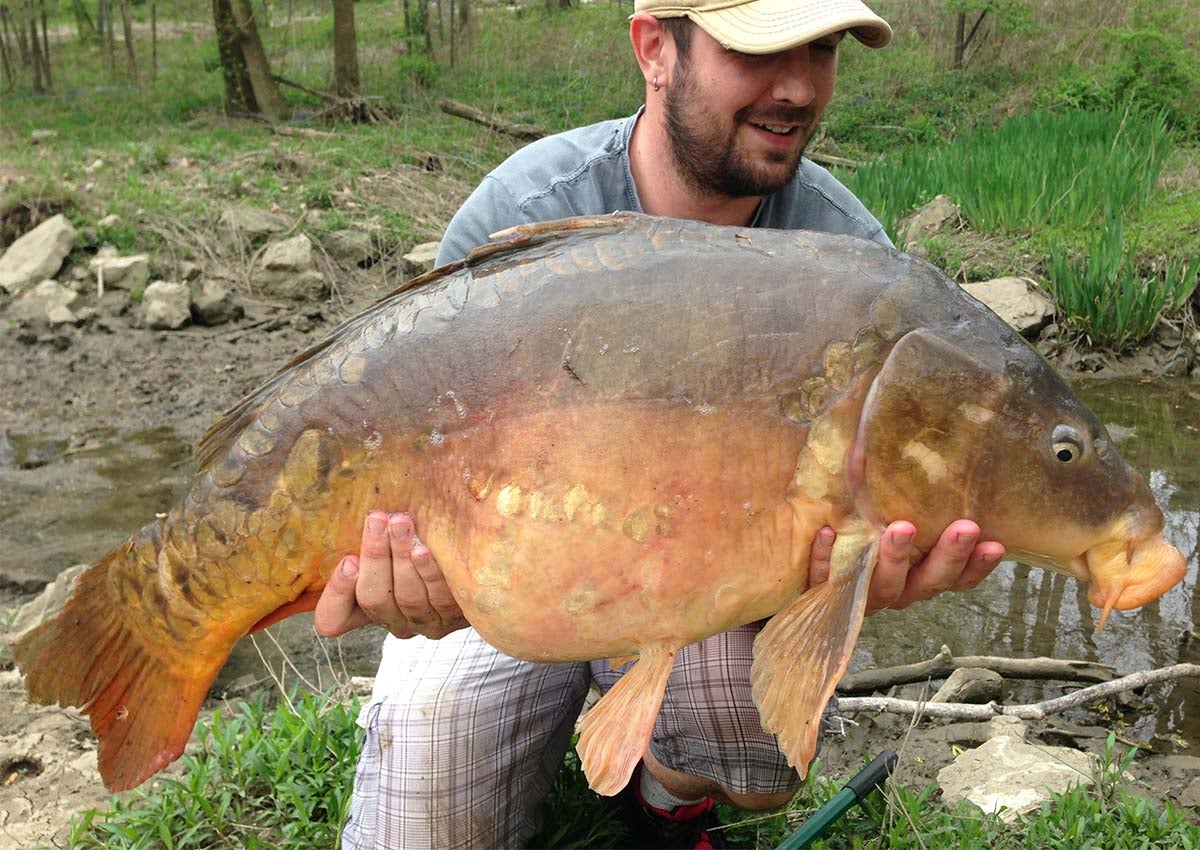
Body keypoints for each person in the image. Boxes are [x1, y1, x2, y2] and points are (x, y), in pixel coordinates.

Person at [315, 1, 1006, 847]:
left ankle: (667, 796)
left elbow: (861, 523)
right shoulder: (524, 209)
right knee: (426, 791)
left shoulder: (849, 261)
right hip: (509, 576)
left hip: (705, 584)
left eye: (821, 51)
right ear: (655, 49)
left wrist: (865, 572)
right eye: (759, 52)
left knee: (748, 741)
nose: (796, 88)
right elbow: (400, 429)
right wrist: (416, 583)